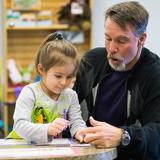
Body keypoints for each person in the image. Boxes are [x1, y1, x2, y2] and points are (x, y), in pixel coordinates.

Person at [74, 1, 160, 160]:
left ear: (142, 38)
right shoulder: (91, 62)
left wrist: (123, 136)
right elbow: (72, 108)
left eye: (121, 41)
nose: (112, 49)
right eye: (108, 38)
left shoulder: (155, 74)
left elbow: (157, 134)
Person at [7, 32, 86, 144]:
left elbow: (76, 122)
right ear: (42, 70)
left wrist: (80, 132)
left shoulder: (71, 95)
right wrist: (48, 129)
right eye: (58, 76)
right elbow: (20, 125)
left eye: (69, 77)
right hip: (20, 146)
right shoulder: (30, 92)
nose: (64, 82)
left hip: (49, 149)